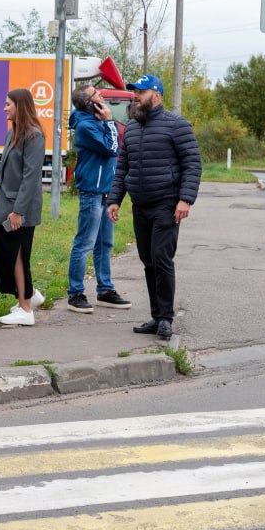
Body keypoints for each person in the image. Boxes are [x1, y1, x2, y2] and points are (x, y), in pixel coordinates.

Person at [106, 74, 202, 339]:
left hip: (166, 204)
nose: (135, 97)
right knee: (148, 260)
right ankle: (156, 315)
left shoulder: (177, 125)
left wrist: (185, 199)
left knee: (161, 258)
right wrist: (115, 199)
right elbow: (123, 166)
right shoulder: (133, 128)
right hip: (141, 205)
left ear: (156, 95)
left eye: (141, 92)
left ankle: (166, 318)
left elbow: (192, 163)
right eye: (134, 92)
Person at [0, 88, 46, 327]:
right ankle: (30, 295)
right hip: (7, 205)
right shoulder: (12, 133)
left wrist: (19, 211)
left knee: (17, 256)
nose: (4, 108)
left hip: (20, 209)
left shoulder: (34, 136)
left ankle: (26, 309)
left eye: (8, 104)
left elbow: (31, 177)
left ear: (20, 106)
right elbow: (2, 167)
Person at [65, 85, 131, 313]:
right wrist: (111, 121)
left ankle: (105, 290)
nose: (102, 97)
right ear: (89, 103)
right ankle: (75, 293)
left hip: (106, 193)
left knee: (105, 244)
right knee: (85, 243)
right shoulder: (85, 126)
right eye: (98, 95)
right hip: (92, 193)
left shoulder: (97, 122)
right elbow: (112, 148)